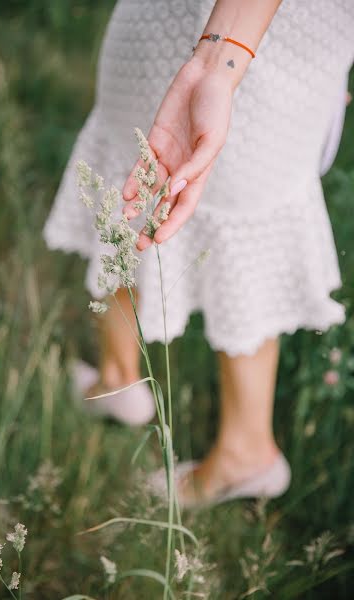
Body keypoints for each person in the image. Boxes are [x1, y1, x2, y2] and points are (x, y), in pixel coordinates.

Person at [43, 0, 354, 507]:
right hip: (177, 29)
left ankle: (244, 451)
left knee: (236, 211)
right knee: (137, 174)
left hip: (263, 40)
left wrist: (218, 59)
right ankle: (119, 377)